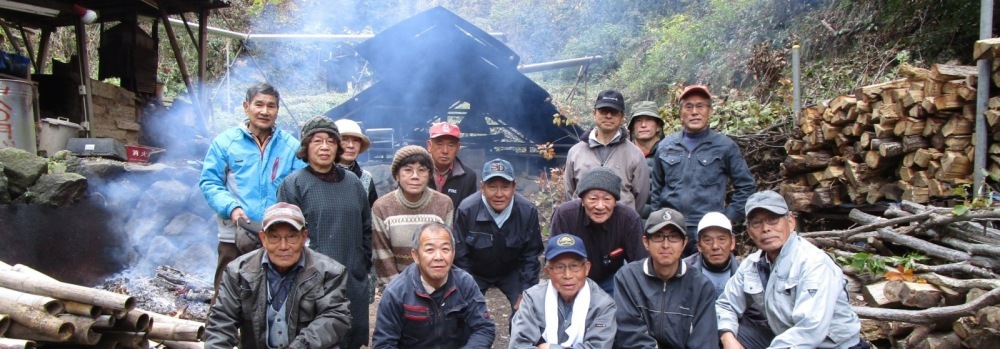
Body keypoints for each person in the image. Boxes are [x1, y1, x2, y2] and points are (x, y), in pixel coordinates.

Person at [717, 191, 867, 349]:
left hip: (828, 346)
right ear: (749, 231)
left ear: (790, 222)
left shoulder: (813, 263)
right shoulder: (752, 264)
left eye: (773, 220)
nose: (765, 228)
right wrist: (728, 338)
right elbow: (726, 305)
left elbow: (809, 331)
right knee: (721, 330)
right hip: (784, 340)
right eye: (756, 223)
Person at [200, 83, 306, 295]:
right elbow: (210, 182)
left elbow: (302, 186)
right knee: (226, 296)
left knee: (274, 297)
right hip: (234, 233)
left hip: (278, 237)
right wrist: (232, 208)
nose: (265, 111)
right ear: (246, 106)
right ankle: (221, 330)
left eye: (271, 106)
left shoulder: (290, 146)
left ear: (277, 110)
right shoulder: (225, 142)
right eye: (259, 104)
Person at [276, 116, 371, 349]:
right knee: (317, 338)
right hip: (311, 281)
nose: (325, 146)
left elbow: (367, 228)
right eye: (317, 140)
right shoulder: (293, 184)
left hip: (353, 277)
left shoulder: (353, 183)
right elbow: (284, 237)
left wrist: (362, 263)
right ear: (306, 147)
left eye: (331, 141)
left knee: (351, 337)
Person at [205, 202, 351, 349]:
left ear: (303, 237)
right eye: (274, 237)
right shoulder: (238, 271)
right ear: (263, 238)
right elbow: (221, 322)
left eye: (291, 237)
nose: (283, 246)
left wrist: (300, 346)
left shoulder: (329, 272)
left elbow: (335, 317)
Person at [651, 84, 756, 256]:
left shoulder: (725, 146)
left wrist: (726, 218)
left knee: (708, 278)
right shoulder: (665, 147)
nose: (694, 112)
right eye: (688, 106)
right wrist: (658, 220)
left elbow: (746, 187)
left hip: (707, 229)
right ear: (680, 113)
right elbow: (656, 190)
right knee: (671, 278)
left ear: (710, 112)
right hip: (671, 228)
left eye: (700, 106)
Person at [372, 222, 496, 348]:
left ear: (453, 253)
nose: (438, 257)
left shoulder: (465, 283)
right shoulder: (396, 292)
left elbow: (484, 328)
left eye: (445, 249)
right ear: (416, 256)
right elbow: (384, 344)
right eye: (430, 250)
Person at [613, 208, 719, 349]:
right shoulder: (628, 278)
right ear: (646, 242)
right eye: (658, 236)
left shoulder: (701, 286)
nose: (665, 245)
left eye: (674, 237)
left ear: (684, 243)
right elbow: (629, 335)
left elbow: (704, 342)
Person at [453, 158, 543, 311]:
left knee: (528, 309)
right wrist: (466, 289)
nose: (499, 194)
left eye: (505, 187)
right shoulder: (467, 210)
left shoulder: (527, 211)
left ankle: (519, 334)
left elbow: (531, 255)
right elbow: (461, 256)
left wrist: (526, 291)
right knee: (465, 310)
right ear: (482, 187)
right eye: (492, 187)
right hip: (475, 271)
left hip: (512, 271)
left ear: (514, 187)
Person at [550, 167, 648, 296]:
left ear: (615, 201)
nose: (600, 206)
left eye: (607, 199)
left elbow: (639, 264)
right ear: (582, 201)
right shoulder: (565, 215)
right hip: (573, 278)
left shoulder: (628, 219)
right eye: (593, 199)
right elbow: (556, 260)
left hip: (612, 279)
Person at [508, 234, 617, 349]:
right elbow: (518, 345)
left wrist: (549, 347)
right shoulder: (532, 299)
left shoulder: (603, 305)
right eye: (559, 267)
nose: (567, 275)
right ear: (547, 271)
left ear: (587, 268)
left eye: (575, 266)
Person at [683, 212, 773, 349]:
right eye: (707, 240)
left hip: (736, 331)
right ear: (699, 245)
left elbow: (756, 316)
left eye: (722, 239)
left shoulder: (747, 272)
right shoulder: (683, 271)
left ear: (732, 243)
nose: (715, 246)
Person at [372, 145, 455, 286]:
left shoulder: (444, 204)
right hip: (396, 290)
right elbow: (382, 257)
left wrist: (434, 288)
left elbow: (446, 250)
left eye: (422, 170)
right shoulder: (382, 207)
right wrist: (399, 292)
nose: (415, 176)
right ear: (397, 175)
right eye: (408, 170)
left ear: (429, 175)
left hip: (435, 287)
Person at [564, 90, 650, 212]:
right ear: (594, 113)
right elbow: (569, 191)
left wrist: (626, 217)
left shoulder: (634, 154)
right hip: (581, 225)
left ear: (622, 117)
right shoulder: (576, 152)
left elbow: (641, 196)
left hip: (620, 226)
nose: (608, 116)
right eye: (603, 111)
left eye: (614, 112)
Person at [426, 122, 478, 210]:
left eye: (451, 145)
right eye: (440, 144)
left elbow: (468, 212)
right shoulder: (417, 173)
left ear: (458, 148)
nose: (445, 151)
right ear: (429, 146)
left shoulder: (468, 177)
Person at [627, 101, 665, 219]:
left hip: (661, 225)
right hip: (628, 225)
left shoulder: (670, 153)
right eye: (638, 121)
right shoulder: (623, 154)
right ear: (632, 126)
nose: (643, 125)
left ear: (658, 126)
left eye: (649, 119)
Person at [335, 118, 379, 207]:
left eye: (355, 140)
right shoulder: (320, 174)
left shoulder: (366, 177)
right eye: (344, 139)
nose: (351, 145)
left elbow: (372, 213)